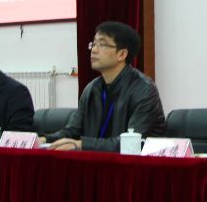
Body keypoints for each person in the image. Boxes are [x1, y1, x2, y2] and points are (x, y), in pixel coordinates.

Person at [44, 21, 165, 151]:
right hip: (94, 161)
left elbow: (131, 144)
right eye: (94, 44)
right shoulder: (91, 89)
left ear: (122, 54)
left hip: (134, 163)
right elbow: (73, 131)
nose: (94, 50)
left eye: (102, 45)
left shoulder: (144, 90)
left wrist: (81, 144)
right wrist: (43, 140)